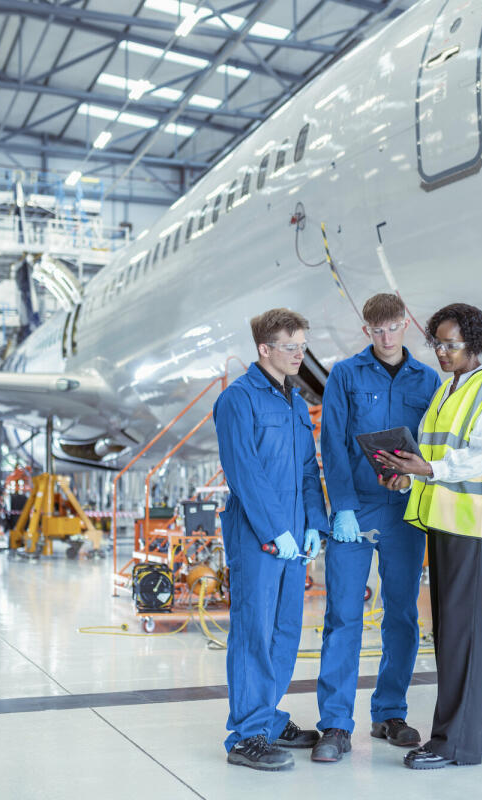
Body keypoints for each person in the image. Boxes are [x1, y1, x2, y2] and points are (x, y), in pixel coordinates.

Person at [374, 303, 482, 770]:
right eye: (436, 342)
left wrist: (429, 469)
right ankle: (481, 732)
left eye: (449, 344)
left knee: (462, 636)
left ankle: (452, 742)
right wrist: (408, 475)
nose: (440, 351)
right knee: (456, 634)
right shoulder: (447, 391)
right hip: (445, 521)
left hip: (473, 525)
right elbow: (432, 457)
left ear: (473, 344)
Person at [311, 294, 440, 764]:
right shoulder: (345, 374)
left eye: (393, 328)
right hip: (358, 509)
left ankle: (390, 713)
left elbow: (432, 444)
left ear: (406, 324)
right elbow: (334, 442)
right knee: (343, 616)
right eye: (377, 330)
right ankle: (336, 724)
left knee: (402, 615)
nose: (386, 338)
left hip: (406, 510)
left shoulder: (428, 380)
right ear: (366, 331)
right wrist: (341, 506)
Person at [212, 307, 329, 771]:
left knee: (284, 633)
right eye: (290, 347)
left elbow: (306, 469)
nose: (300, 354)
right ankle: (246, 735)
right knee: (253, 633)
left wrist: (314, 525)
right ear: (264, 349)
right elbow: (244, 471)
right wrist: (273, 530)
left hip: (294, 538)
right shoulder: (238, 399)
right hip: (257, 536)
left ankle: (268, 716)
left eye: (303, 345)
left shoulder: (296, 403)